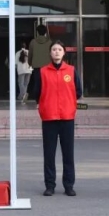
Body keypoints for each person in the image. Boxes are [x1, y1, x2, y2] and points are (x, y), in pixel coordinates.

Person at [30, 40, 82, 197]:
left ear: (64, 52)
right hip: (49, 117)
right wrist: (45, 105)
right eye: (54, 49)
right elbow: (36, 92)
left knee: (68, 153)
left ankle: (69, 185)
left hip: (67, 117)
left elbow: (78, 91)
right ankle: (50, 185)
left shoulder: (71, 70)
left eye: (59, 49)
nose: (57, 52)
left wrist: (68, 103)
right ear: (50, 53)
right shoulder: (42, 72)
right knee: (49, 154)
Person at [27, 24, 51, 104]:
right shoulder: (49, 42)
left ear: (37, 32)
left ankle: (38, 100)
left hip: (37, 66)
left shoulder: (33, 42)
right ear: (45, 32)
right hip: (48, 66)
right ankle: (46, 99)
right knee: (47, 83)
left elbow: (30, 54)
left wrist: (30, 63)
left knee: (37, 83)